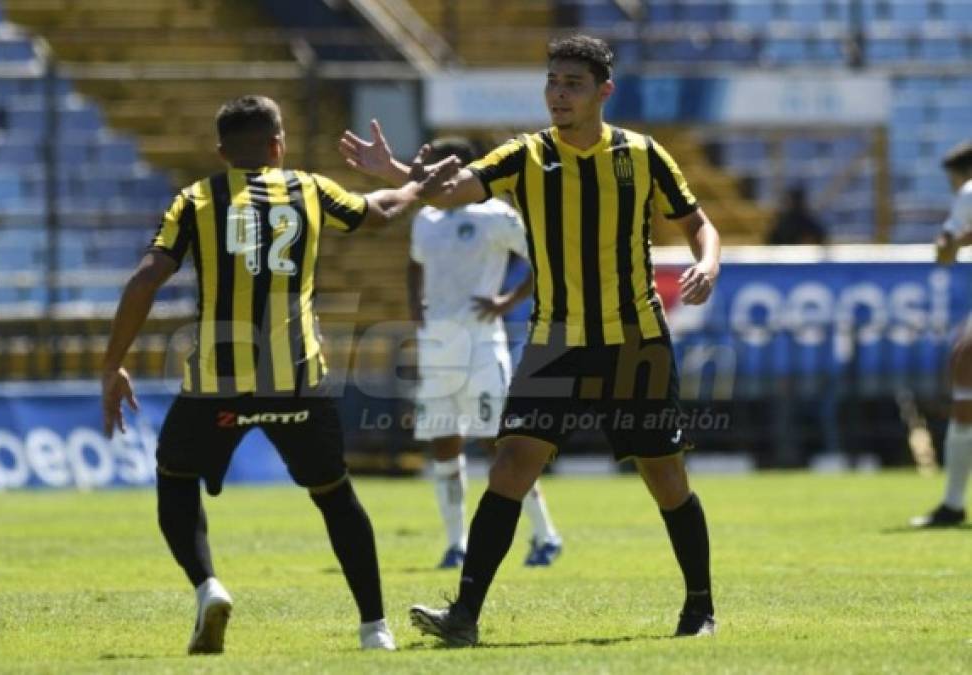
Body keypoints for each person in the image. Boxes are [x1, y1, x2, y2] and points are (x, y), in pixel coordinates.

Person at [340, 34, 721, 646]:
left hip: (636, 341)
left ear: (604, 91)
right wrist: (400, 174)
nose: (558, 94)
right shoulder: (525, 154)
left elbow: (700, 224)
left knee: (664, 476)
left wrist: (708, 263)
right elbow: (454, 187)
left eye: (572, 84)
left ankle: (700, 606)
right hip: (557, 341)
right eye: (552, 82)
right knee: (512, 465)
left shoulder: (643, 155)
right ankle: (463, 616)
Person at [100, 95, 457, 654]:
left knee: (174, 477)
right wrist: (418, 184)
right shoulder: (309, 188)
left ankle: (208, 587)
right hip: (298, 379)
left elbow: (146, 279)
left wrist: (112, 364)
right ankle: (374, 629)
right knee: (336, 496)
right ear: (278, 144)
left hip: (217, 383)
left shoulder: (195, 200)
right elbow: (382, 210)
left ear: (221, 153)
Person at [408, 136, 563, 570]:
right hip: (436, 342)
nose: (435, 178)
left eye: (443, 169)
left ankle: (545, 535)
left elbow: (545, 258)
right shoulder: (426, 218)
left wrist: (507, 301)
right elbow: (414, 263)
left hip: (480, 342)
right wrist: (413, 306)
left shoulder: (494, 214)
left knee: (500, 444)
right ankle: (456, 543)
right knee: (443, 443)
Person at [911, 139, 972, 528]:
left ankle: (952, 502)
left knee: (963, 367)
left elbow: (943, 255)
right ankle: (950, 503)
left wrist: (954, 241)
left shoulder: (969, 191)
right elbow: (947, 250)